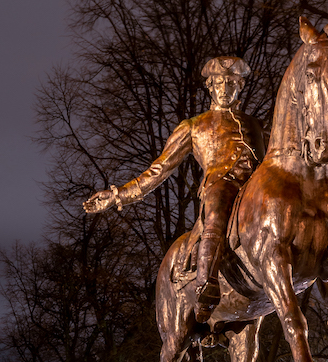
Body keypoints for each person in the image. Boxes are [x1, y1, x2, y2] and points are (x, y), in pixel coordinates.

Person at [83, 56, 266, 320]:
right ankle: (206, 283)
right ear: (210, 88)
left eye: (230, 83)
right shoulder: (194, 126)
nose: (224, 89)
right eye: (218, 83)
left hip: (256, 191)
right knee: (215, 213)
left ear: (239, 86)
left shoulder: (257, 125)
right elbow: (159, 170)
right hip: (220, 187)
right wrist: (116, 195)